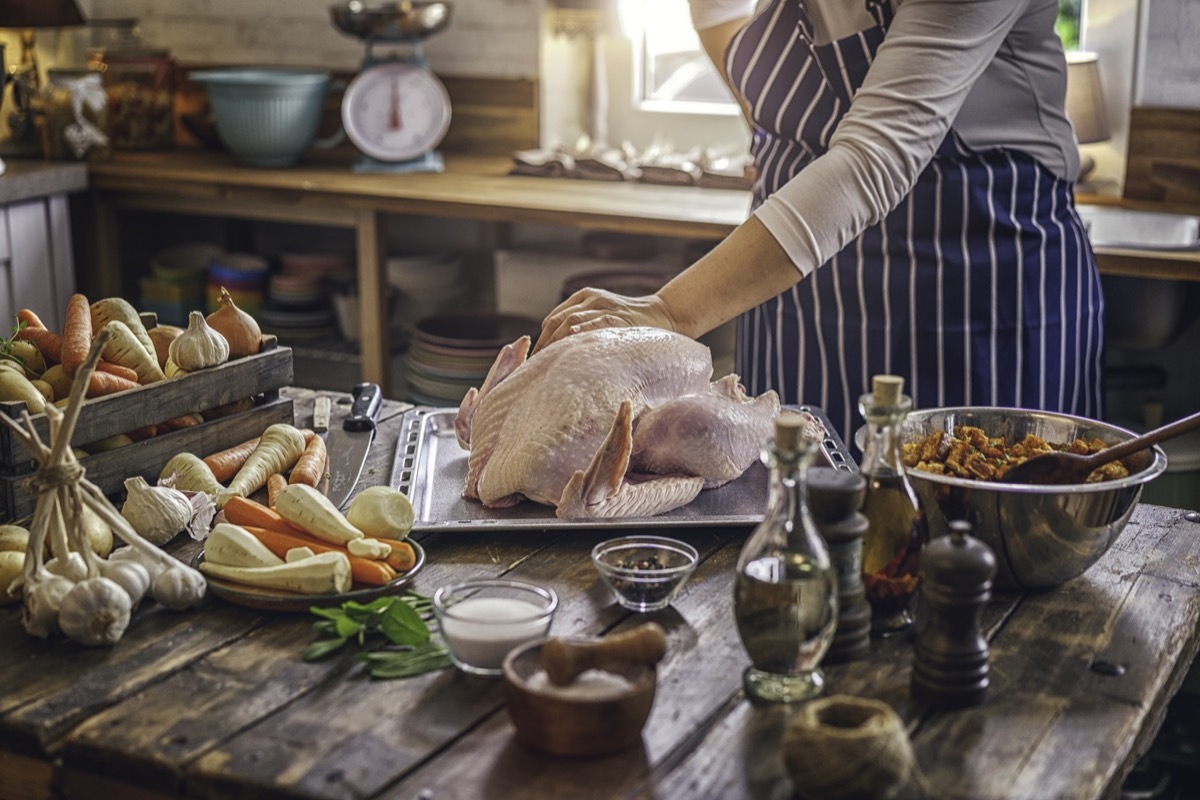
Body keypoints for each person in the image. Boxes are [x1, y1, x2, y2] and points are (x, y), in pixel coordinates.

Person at [535, 0, 1104, 443]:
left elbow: (874, 155)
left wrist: (668, 311)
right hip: (797, 280)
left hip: (973, 265)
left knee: (968, 531)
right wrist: (781, 123)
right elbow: (716, 10)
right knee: (789, 511)